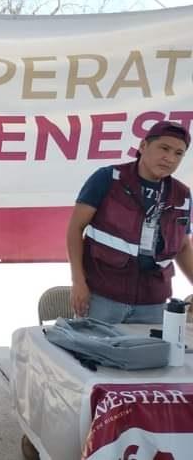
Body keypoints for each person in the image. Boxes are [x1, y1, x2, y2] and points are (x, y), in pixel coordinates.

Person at [67, 120, 193, 324]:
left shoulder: (182, 194)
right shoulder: (108, 178)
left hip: (154, 302)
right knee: (92, 355)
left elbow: (184, 246)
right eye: (164, 148)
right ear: (143, 146)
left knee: (148, 355)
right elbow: (75, 229)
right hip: (103, 297)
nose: (170, 158)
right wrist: (78, 281)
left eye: (178, 154)